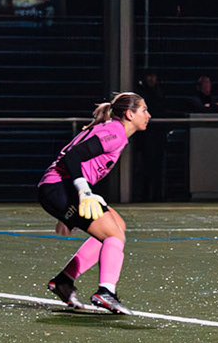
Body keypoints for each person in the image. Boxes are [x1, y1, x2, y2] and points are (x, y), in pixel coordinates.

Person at [40, 92, 151, 314]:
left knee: (117, 226)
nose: (148, 115)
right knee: (114, 235)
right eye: (144, 110)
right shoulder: (115, 133)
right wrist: (83, 192)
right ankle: (105, 292)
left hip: (58, 189)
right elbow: (72, 157)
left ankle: (64, 281)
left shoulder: (112, 130)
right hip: (60, 188)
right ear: (130, 114)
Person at [131, 71, 170, 202]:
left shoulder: (159, 93)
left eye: (153, 76)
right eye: (149, 76)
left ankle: (157, 195)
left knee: (157, 168)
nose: (152, 79)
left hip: (158, 136)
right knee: (145, 168)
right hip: (146, 137)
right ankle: (145, 195)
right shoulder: (143, 95)